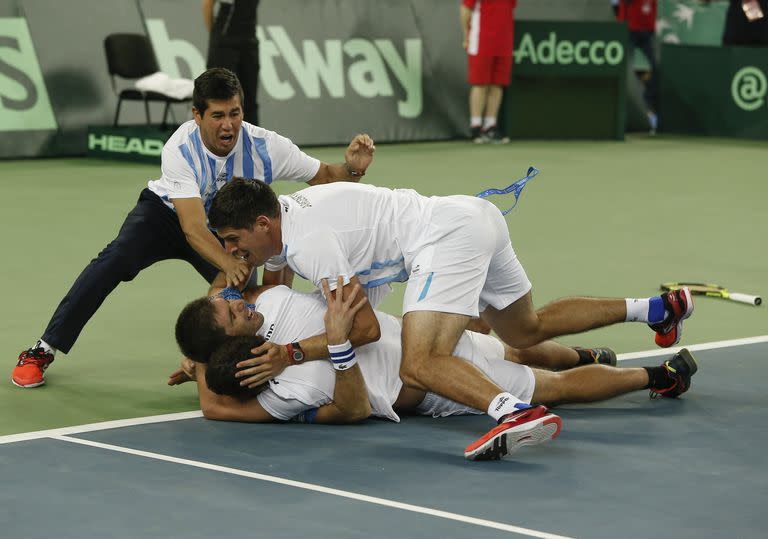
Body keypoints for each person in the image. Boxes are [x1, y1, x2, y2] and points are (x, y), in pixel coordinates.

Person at [204, 178, 695, 460]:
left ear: (263, 224)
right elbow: (270, 290)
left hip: (443, 241)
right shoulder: (287, 221)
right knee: (525, 330)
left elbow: (366, 329)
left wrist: (289, 353)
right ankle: (654, 310)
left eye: (231, 240)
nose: (230, 252)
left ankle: (514, 412)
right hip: (474, 216)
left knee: (418, 362)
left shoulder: (308, 245)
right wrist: (206, 353)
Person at [12, 67, 375, 389]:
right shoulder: (180, 148)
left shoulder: (265, 146)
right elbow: (191, 227)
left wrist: (354, 168)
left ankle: (213, 365)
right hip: (165, 215)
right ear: (197, 115)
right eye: (217, 115)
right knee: (115, 259)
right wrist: (229, 264)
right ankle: (43, 349)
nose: (228, 125)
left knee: (240, 294)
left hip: (222, 229)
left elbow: (326, 176)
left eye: (234, 113)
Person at [171, 282, 698, 460]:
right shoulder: (282, 385)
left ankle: (598, 359)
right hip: (432, 380)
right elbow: (351, 408)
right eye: (230, 312)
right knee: (547, 384)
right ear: (228, 342)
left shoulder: (272, 299)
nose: (239, 301)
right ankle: (658, 375)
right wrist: (333, 348)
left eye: (231, 301)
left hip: (427, 337)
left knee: (523, 350)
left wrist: (198, 361)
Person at [460, 0, 516, 144]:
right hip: (481, 40)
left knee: (497, 84)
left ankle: (490, 126)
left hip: (504, 42)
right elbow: (465, 9)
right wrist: (466, 34)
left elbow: (509, 10)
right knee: (480, 84)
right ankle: (476, 126)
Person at [203, 0, 261, 125]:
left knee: (249, 101)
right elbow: (208, 4)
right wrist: (217, 37)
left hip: (249, 42)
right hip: (225, 43)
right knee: (219, 98)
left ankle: (251, 143)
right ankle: (211, 142)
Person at [615, 0, 660, 133]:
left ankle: (647, 104)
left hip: (646, 33)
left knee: (656, 67)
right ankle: (623, 114)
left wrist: (651, 28)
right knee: (626, 69)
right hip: (628, 30)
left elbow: (652, 7)